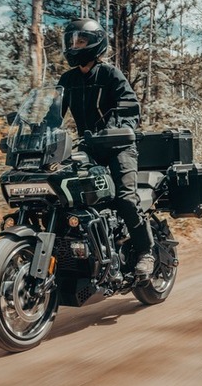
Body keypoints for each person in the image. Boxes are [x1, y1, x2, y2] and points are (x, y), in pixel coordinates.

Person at [56, 18, 155, 279]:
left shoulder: (110, 74)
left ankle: (146, 252)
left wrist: (116, 128)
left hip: (119, 145)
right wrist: (36, 131)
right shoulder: (67, 80)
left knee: (124, 198)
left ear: (95, 43)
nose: (75, 46)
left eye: (81, 41)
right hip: (87, 148)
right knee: (66, 195)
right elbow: (53, 114)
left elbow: (130, 106)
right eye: (72, 41)